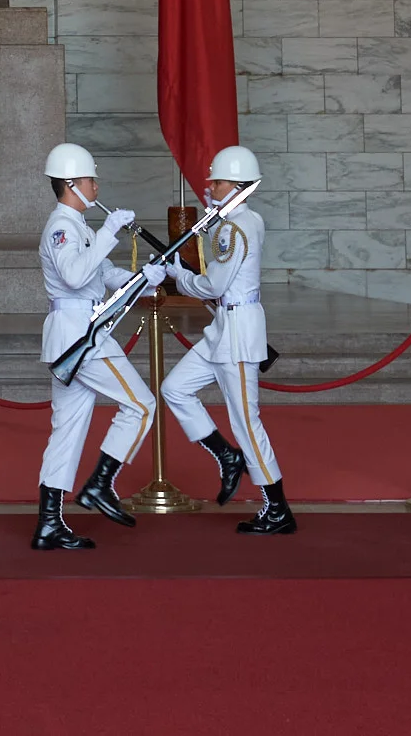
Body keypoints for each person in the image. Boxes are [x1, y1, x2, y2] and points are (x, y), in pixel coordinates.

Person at [33, 142, 164, 551]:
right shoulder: (63, 226)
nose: (97, 185)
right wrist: (110, 233)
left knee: (67, 432)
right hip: (79, 336)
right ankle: (100, 484)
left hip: (80, 331)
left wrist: (143, 278)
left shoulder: (81, 228)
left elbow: (103, 275)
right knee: (142, 405)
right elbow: (74, 276)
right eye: (92, 178)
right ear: (72, 183)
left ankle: (49, 524)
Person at [162, 145, 293, 534]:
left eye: (217, 182)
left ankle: (277, 507)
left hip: (236, 332)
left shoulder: (233, 228)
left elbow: (212, 284)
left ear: (237, 186)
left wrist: (178, 275)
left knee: (247, 424)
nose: (210, 187)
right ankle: (226, 456)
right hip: (223, 327)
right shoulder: (234, 221)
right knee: (175, 388)